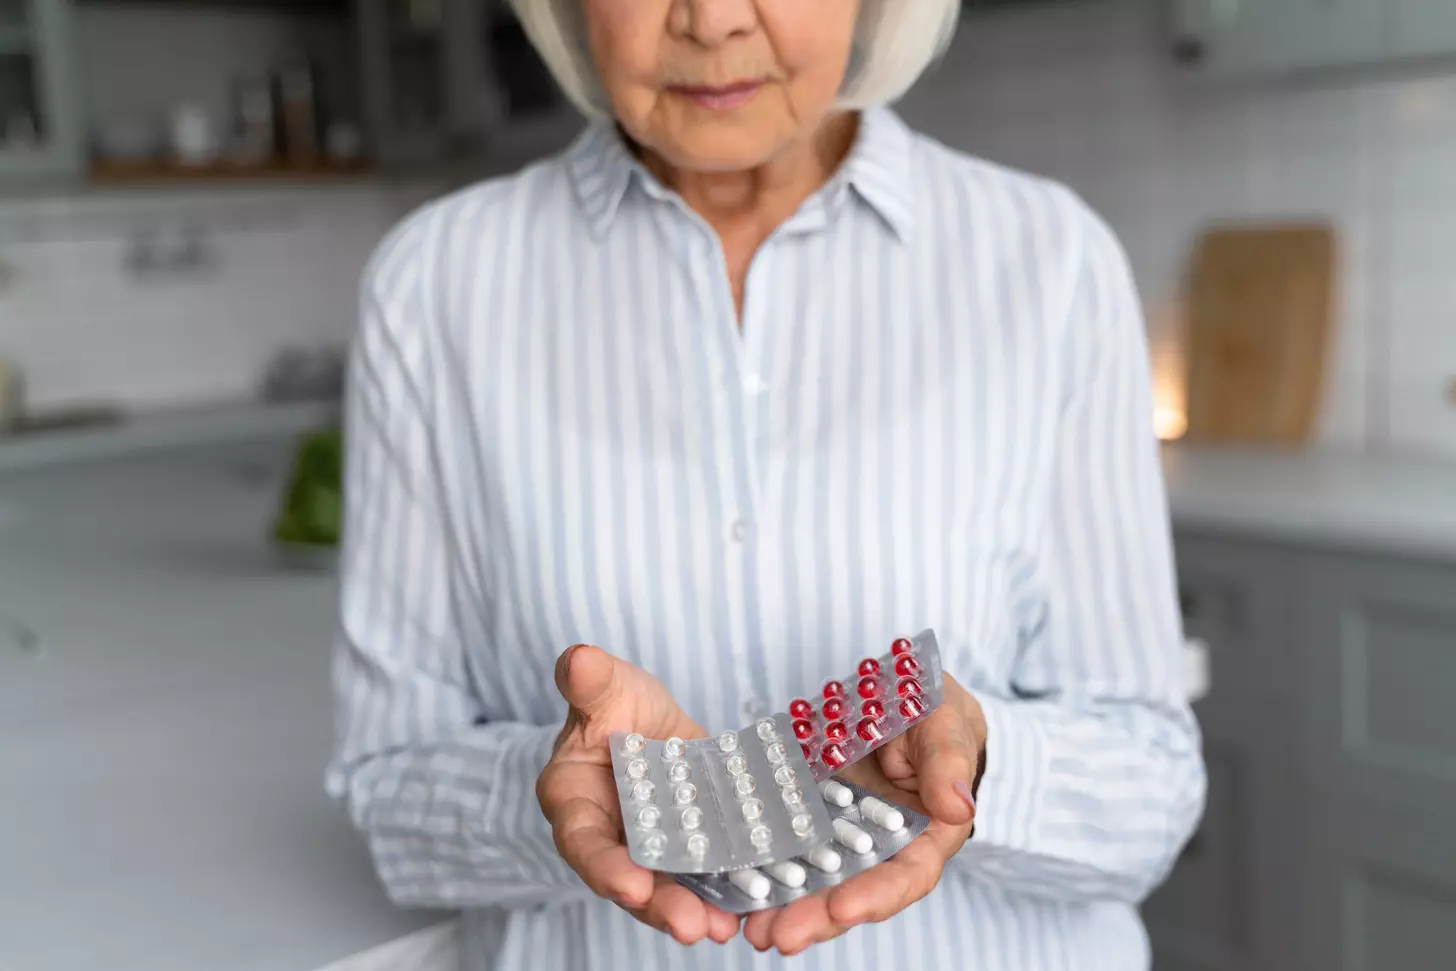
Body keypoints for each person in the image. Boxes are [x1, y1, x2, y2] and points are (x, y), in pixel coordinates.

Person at [325, 0, 1208, 968]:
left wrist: (979, 758)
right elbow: (394, 802)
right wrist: (585, 793)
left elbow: (1147, 794)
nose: (709, 21)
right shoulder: (435, 285)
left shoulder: (1051, 264)